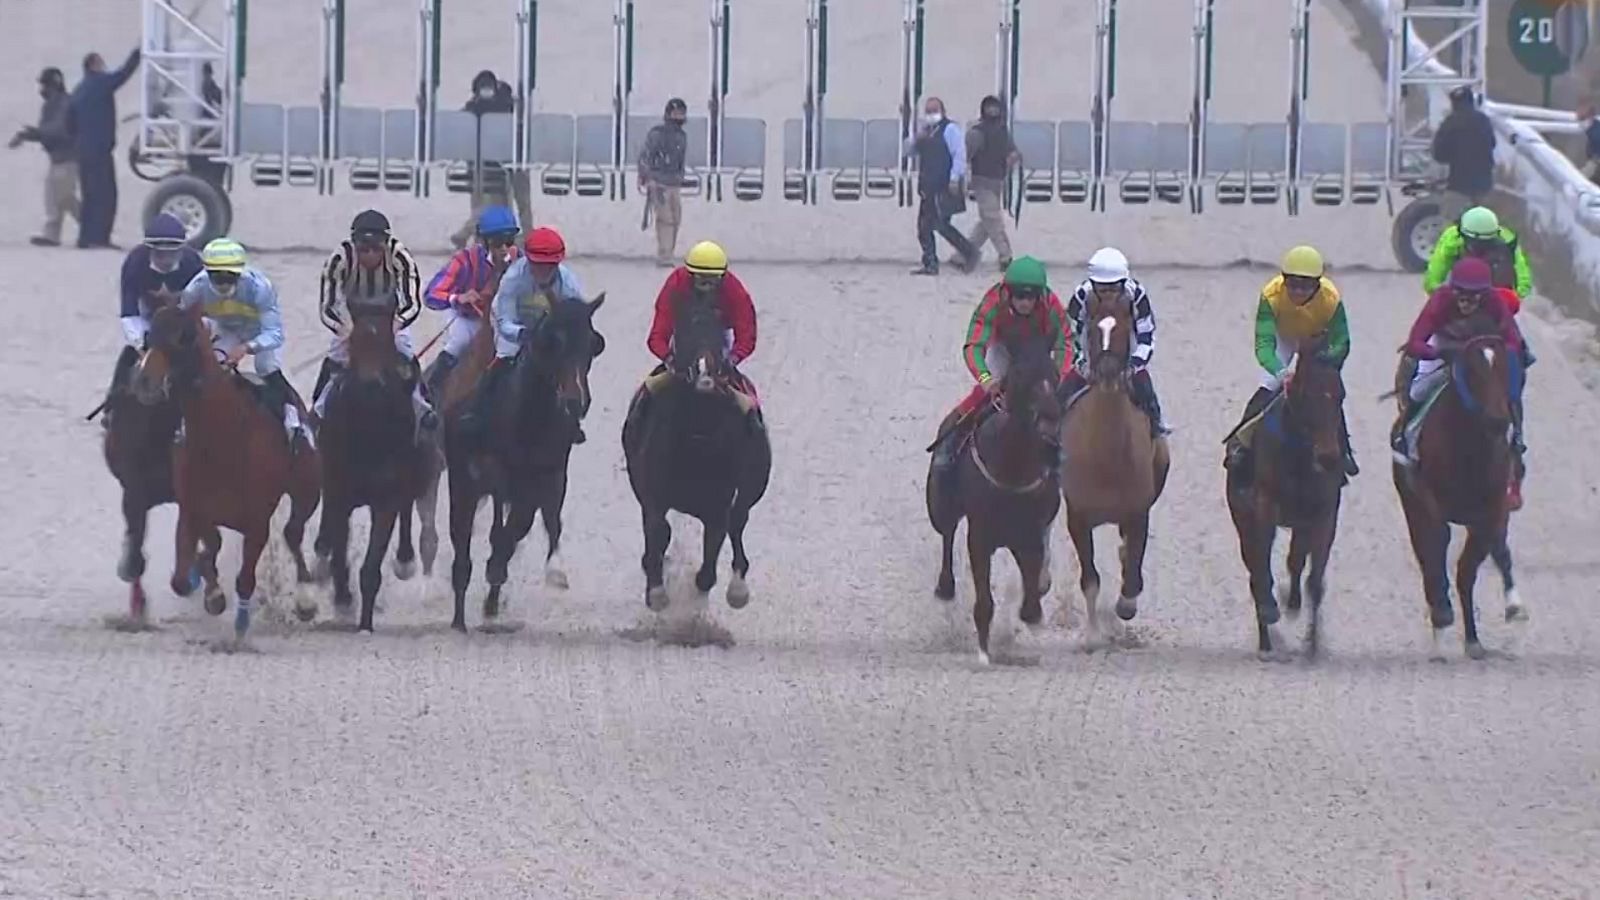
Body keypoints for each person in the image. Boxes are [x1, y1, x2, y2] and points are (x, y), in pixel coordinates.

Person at [1394, 257, 1526, 505]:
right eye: (1461, 295)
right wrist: (1437, 353)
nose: (1466, 302)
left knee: (1509, 393)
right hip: (1444, 345)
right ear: (1452, 289)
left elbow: (1513, 340)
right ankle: (1407, 439)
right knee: (1418, 391)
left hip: (1482, 346)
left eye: (1473, 297)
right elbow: (1416, 341)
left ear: (1484, 293)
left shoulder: (1495, 302)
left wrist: (1497, 352)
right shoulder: (1440, 301)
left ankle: (1516, 441)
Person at [1222, 245, 1356, 482]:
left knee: (1326, 395)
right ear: (1283, 280)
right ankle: (1240, 443)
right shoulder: (1271, 295)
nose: (1298, 291)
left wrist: (1327, 360)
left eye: (1305, 286)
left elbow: (1341, 341)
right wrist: (1281, 372)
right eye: (1292, 284)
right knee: (1268, 388)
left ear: (1318, 284)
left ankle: (1343, 450)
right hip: (1284, 338)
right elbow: (1264, 344)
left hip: (1318, 343)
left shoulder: (1331, 298)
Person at [927, 256, 1069, 480]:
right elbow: (974, 345)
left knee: (1055, 404)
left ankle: (1062, 459)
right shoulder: (993, 303)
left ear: (1039, 295)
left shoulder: (1051, 305)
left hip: (1038, 351)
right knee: (980, 398)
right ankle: (949, 442)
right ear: (1008, 293)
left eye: (1030, 296)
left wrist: (1057, 377)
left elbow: (1065, 343)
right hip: (1004, 350)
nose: (1025, 302)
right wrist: (986, 380)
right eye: (1019, 296)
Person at [179, 238, 312, 450]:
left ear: (240, 271)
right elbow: (183, 322)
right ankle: (186, 424)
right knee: (210, 369)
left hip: (259, 331)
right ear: (206, 272)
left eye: (229, 276)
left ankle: (293, 423)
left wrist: (247, 348)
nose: (223, 283)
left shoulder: (260, 287)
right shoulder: (195, 289)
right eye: (216, 276)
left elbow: (274, 334)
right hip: (226, 329)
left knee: (266, 367)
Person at [460, 226, 591, 441]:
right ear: (528, 260)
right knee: (501, 363)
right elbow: (504, 320)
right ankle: (477, 413)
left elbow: (574, 320)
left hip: (550, 336)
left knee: (569, 364)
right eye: (538, 265)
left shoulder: (568, 283)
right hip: (515, 332)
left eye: (549, 266)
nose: (543, 271)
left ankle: (573, 416)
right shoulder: (513, 279)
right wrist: (523, 334)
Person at [313, 209, 431, 435]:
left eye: (375, 249)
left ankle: (423, 408)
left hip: (391, 319)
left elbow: (412, 301)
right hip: (351, 319)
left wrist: (395, 326)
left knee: (406, 354)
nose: (369, 255)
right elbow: (327, 306)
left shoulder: (401, 257)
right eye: (363, 249)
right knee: (335, 359)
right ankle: (318, 411)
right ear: (354, 245)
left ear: (386, 245)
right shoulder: (339, 258)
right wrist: (346, 330)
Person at [630, 240, 762, 430]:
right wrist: (670, 359)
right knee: (643, 400)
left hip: (720, 350)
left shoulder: (734, 290)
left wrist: (732, 359)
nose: (707, 286)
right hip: (682, 350)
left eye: (712, 280)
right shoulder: (676, 284)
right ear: (690, 275)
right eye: (701, 279)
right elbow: (657, 335)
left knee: (751, 407)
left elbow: (747, 335)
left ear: (722, 276)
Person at [99, 213, 204, 423]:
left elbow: (204, 306)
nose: (165, 259)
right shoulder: (134, 263)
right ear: (149, 249)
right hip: (150, 317)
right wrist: (140, 344)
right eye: (159, 253)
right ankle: (113, 405)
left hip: (182, 318)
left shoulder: (194, 264)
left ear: (182, 249)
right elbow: (129, 311)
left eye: (171, 252)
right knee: (129, 356)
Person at [1058, 247, 1167, 437]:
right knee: (1061, 395)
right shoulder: (1082, 295)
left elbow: (1146, 334)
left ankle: (1157, 427)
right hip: (1089, 349)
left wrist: (1135, 365)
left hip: (1128, 350)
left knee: (1146, 391)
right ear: (1093, 284)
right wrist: (1081, 363)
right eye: (1102, 288)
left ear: (1124, 283)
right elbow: (1069, 332)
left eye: (1114, 288)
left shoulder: (1137, 294)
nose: (1108, 293)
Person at [424, 204, 522, 402]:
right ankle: (430, 393)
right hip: (471, 319)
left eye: (508, 241)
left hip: (508, 320)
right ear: (484, 241)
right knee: (457, 343)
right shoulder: (465, 260)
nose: (504, 248)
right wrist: (457, 298)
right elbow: (431, 294)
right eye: (497, 242)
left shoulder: (521, 261)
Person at [1421, 204, 1536, 369]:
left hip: (1477, 305)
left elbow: (1433, 279)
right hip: (1480, 305)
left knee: (1429, 354)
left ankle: (1418, 382)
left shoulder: (1456, 237)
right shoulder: (1504, 237)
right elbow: (1433, 279)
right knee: (1519, 355)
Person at [448, 70, 533, 249]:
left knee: (511, 201)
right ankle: (509, 235)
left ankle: (518, 235)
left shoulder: (508, 105)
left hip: (510, 161)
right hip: (490, 164)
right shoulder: (474, 108)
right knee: (496, 204)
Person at [70, 49, 141, 249]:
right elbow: (123, 74)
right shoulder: (100, 83)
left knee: (89, 195)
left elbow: (69, 122)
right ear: (94, 65)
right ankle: (101, 237)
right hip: (100, 151)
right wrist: (137, 53)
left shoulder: (78, 90)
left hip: (83, 151)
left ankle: (85, 238)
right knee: (107, 195)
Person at [8, 67, 80, 247]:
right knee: (52, 198)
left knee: (65, 197)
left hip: (69, 157)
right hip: (56, 158)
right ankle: (51, 236)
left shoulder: (65, 103)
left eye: (45, 85)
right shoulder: (49, 106)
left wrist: (34, 132)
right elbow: (45, 133)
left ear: (54, 85)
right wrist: (27, 136)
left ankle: (90, 226)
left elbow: (59, 130)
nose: (42, 89)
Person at [907, 96, 977, 275]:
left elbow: (959, 154)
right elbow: (908, 151)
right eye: (928, 111)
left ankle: (967, 253)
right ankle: (932, 261)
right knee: (926, 226)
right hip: (927, 185)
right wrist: (915, 138)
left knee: (938, 224)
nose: (931, 114)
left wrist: (955, 178)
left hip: (943, 184)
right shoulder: (925, 131)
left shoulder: (950, 129)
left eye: (934, 110)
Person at [961, 95, 1021, 272]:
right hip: (982, 181)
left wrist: (1013, 159)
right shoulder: (976, 133)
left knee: (987, 221)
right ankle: (1005, 255)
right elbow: (965, 156)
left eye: (995, 108)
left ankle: (965, 253)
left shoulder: (1003, 132)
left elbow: (1012, 151)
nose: (993, 111)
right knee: (993, 219)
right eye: (989, 108)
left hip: (998, 182)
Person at [1430, 85, 1496, 221]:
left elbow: (1439, 154)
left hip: (1458, 184)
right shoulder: (1483, 120)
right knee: (1483, 227)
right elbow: (1492, 143)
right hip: (1483, 184)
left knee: (1449, 226)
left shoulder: (1450, 123)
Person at [639, 98, 689, 268]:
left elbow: (680, 161)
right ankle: (664, 255)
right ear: (668, 114)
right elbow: (645, 156)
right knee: (665, 219)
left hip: (674, 184)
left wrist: (681, 177)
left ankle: (669, 252)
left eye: (682, 113)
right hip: (658, 183)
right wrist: (648, 178)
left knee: (675, 218)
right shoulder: (657, 134)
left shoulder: (682, 137)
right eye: (676, 113)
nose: (679, 116)